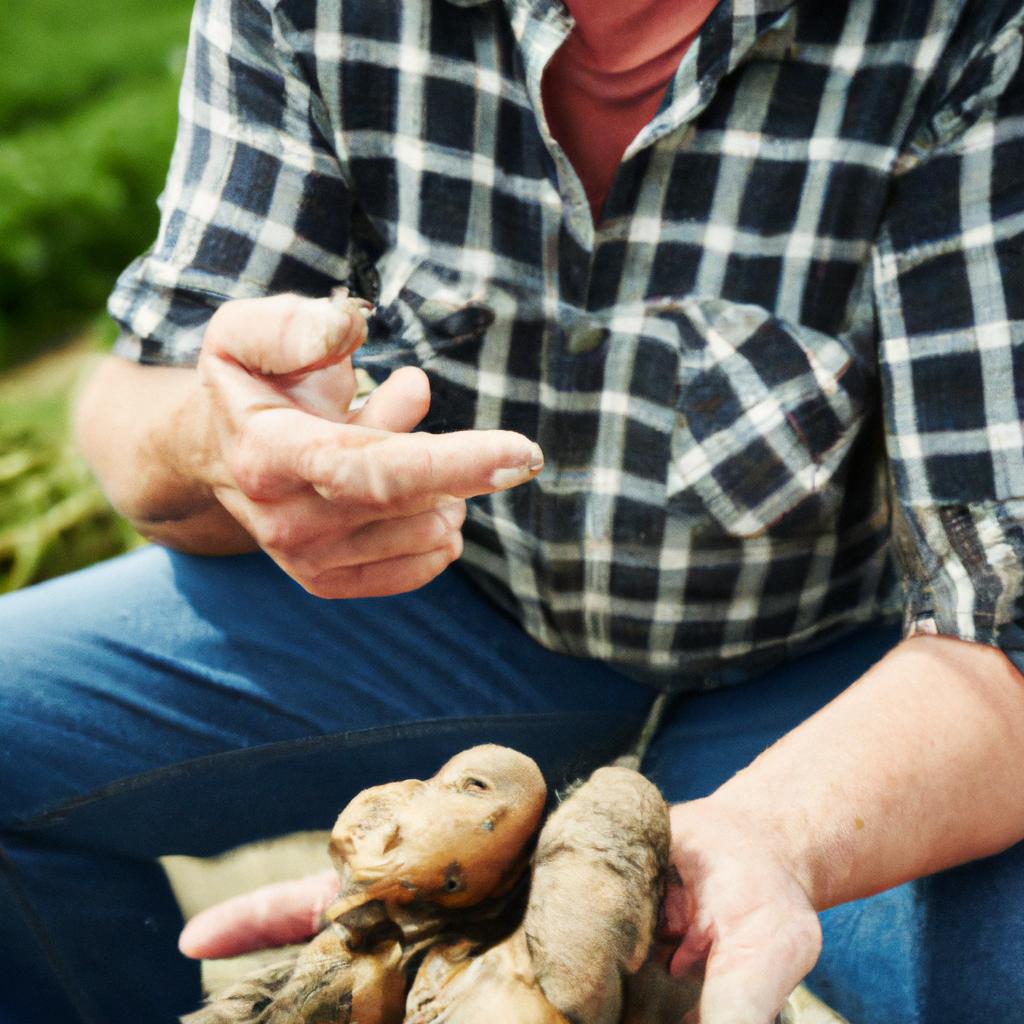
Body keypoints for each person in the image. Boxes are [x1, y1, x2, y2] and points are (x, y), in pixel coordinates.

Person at [3, 0, 1024, 1020]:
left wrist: (774, 833)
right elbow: (138, 394)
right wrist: (219, 442)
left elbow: (1004, 622)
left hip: (846, 667)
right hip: (444, 607)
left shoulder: (964, 30)